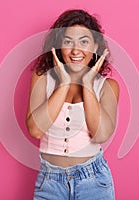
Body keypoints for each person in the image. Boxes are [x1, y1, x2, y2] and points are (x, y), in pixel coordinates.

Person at [26, 9, 119, 200]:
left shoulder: (107, 86)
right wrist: (65, 83)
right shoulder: (42, 78)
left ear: (95, 47)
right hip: (49, 182)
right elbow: (35, 130)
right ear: (58, 46)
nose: (76, 50)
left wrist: (87, 83)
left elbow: (100, 134)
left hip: (94, 182)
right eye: (68, 42)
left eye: (84, 42)